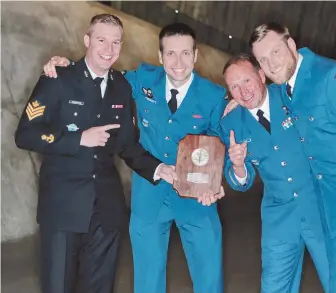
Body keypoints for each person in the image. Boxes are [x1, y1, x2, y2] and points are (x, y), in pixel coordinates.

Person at [224, 22, 336, 292]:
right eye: (263, 59)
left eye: (275, 52)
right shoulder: (286, 90)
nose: (271, 63)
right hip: (334, 207)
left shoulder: (330, 77)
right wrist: (229, 102)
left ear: (290, 44)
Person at [42, 22, 227, 293]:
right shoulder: (141, 79)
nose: (178, 62)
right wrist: (69, 66)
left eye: (186, 53)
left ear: (196, 55)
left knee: (209, 276)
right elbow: (101, 75)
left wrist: (215, 183)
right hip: (149, 195)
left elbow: (219, 144)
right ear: (161, 56)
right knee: (147, 278)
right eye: (171, 54)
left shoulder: (214, 96)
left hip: (196, 197)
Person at [15, 14, 179, 293]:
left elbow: (127, 145)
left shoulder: (122, 87)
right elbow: (25, 134)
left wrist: (158, 169)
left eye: (116, 42)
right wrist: (79, 139)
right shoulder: (58, 79)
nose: (109, 49)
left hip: (106, 210)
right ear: (87, 41)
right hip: (63, 207)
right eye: (102, 40)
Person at [219, 53, 336, 293]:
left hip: (320, 208)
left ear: (261, 74)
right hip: (279, 217)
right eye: (234, 87)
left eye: (246, 81)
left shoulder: (291, 95)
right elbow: (240, 181)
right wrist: (237, 165)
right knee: (274, 286)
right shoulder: (231, 123)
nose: (243, 91)